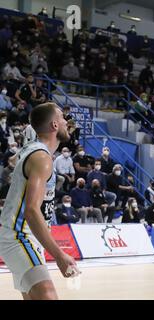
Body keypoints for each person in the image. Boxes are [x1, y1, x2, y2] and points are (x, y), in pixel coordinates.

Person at [0, 103, 79, 300]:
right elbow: (32, 211)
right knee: (47, 295)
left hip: (26, 236)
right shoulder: (41, 158)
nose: (66, 122)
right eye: (62, 118)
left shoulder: (36, 151)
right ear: (54, 125)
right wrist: (60, 255)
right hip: (19, 235)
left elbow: (14, 160)